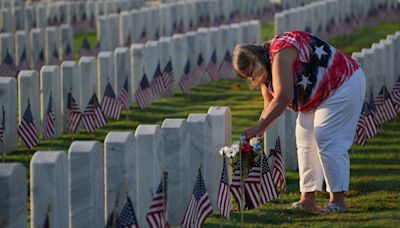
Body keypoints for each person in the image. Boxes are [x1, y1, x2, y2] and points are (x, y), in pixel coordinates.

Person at [232, 30, 366, 213]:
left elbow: (284, 97)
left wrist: (258, 127)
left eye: (251, 73)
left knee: (327, 138)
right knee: (304, 140)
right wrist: (260, 131)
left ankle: (338, 201)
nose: (252, 79)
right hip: (316, 95)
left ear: (256, 61)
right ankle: (307, 199)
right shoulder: (265, 69)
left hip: (342, 84)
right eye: (246, 77)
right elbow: (270, 103)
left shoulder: (281, 52)